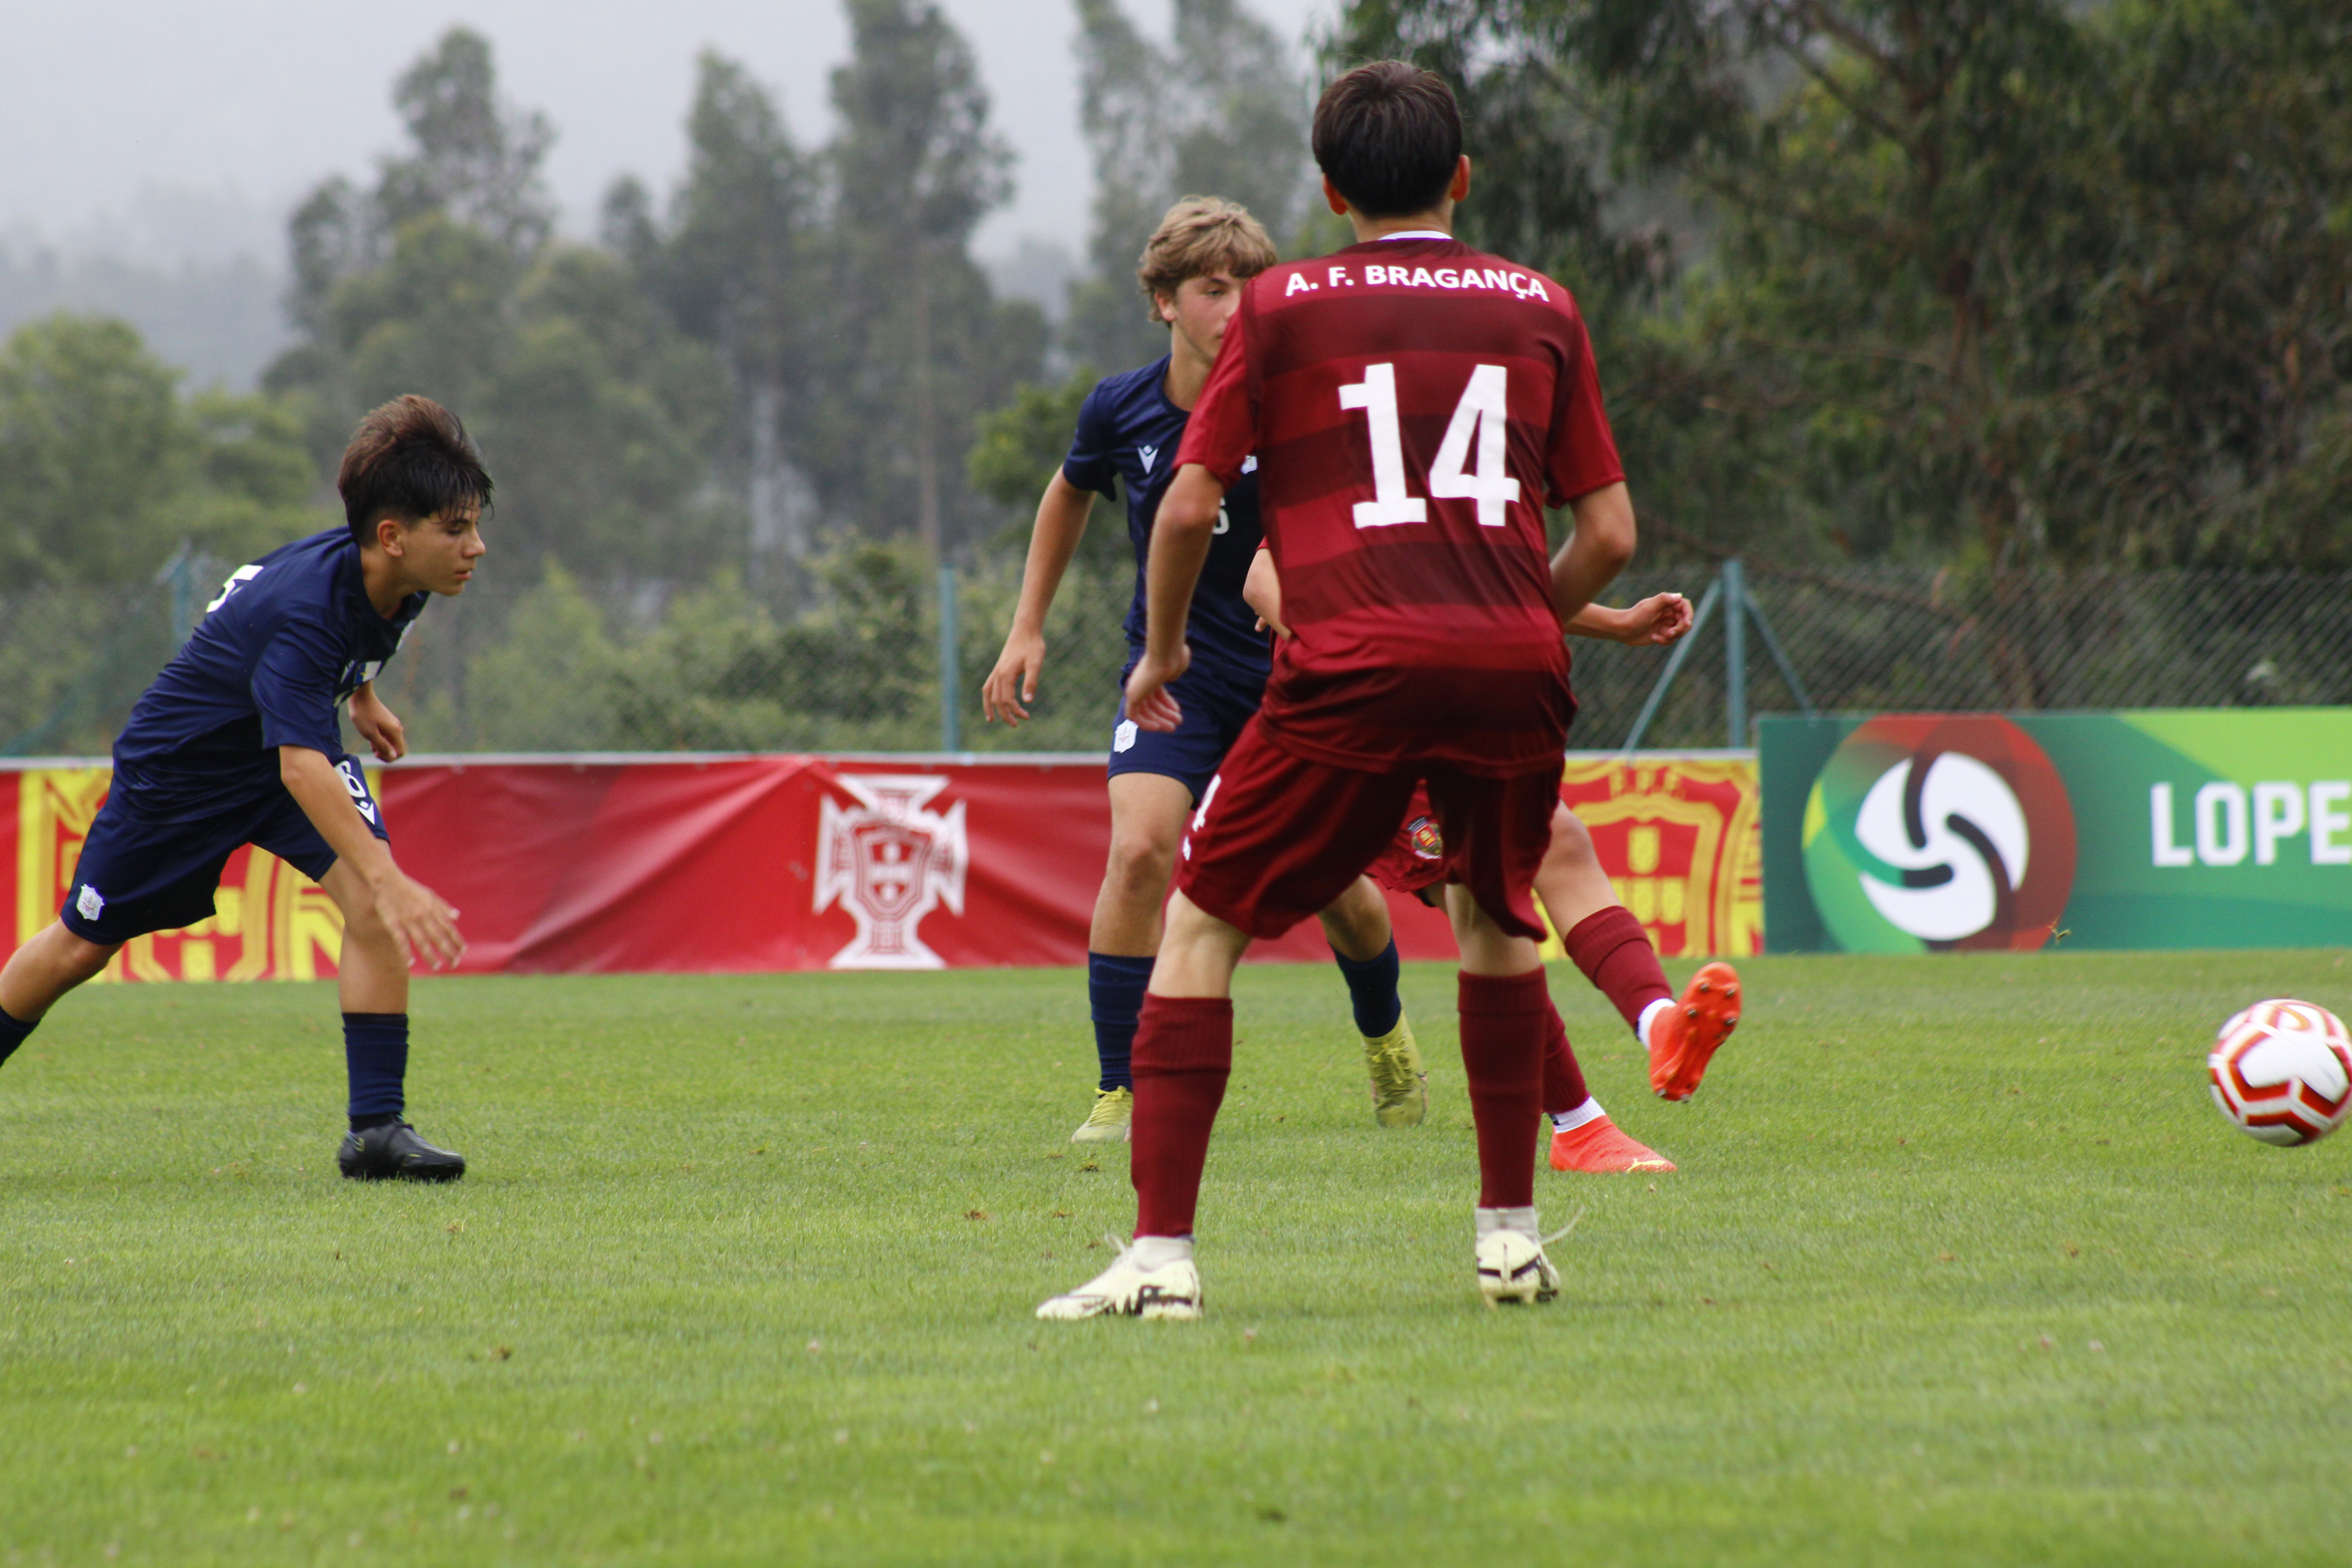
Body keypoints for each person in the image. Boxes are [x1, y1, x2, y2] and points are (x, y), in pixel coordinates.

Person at [1040, 60, 1733, 1321]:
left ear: (1328, 188)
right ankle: (1511, 1243)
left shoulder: (1287, 304)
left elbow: (1192, 501)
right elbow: (1614, 532)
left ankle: (1161, 1263)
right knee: (1498, 917)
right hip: (1510, 667)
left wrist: (1160, 657)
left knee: (1202, 929)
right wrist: (1526, 610)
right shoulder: (1541, 303)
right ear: (1461, 178)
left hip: (1350, 661)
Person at [981, 197, 1428, 1143]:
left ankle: (1386, 1033)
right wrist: (1028, 627)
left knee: (1339, 888)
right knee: (1140, 851)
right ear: (1164, 304)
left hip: (1293, 677)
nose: (1233, 306)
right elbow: (1068, 497)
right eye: (1211, 289)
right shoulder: (1123, 406)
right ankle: (1118, 1089)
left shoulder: (1300, 401)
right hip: (1172, 676)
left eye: (1248, 288)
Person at [0, 395, 486, 1181]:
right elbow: (303, 768)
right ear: (392, 536)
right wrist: (394, 878)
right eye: (457, 528)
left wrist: (362, 696)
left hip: (276, 752)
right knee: (80, 947)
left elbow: (367, 641)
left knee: (365, 906)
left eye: (473, 525)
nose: (477, 546)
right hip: (181, 770)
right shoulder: (304, 609)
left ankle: (376, 1132)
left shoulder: (406, 579)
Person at [1245, 548, 1741, 1174]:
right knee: (1483, 899)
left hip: (1452, 697)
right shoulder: (1347, 456)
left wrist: (1615, 624)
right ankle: (1578, 1125)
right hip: (1364, 720)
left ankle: (1660, 1025)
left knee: (1561, 841)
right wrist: (1349, 651)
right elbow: (1263, 577)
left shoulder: (1457, 469)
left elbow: (1496, 590)